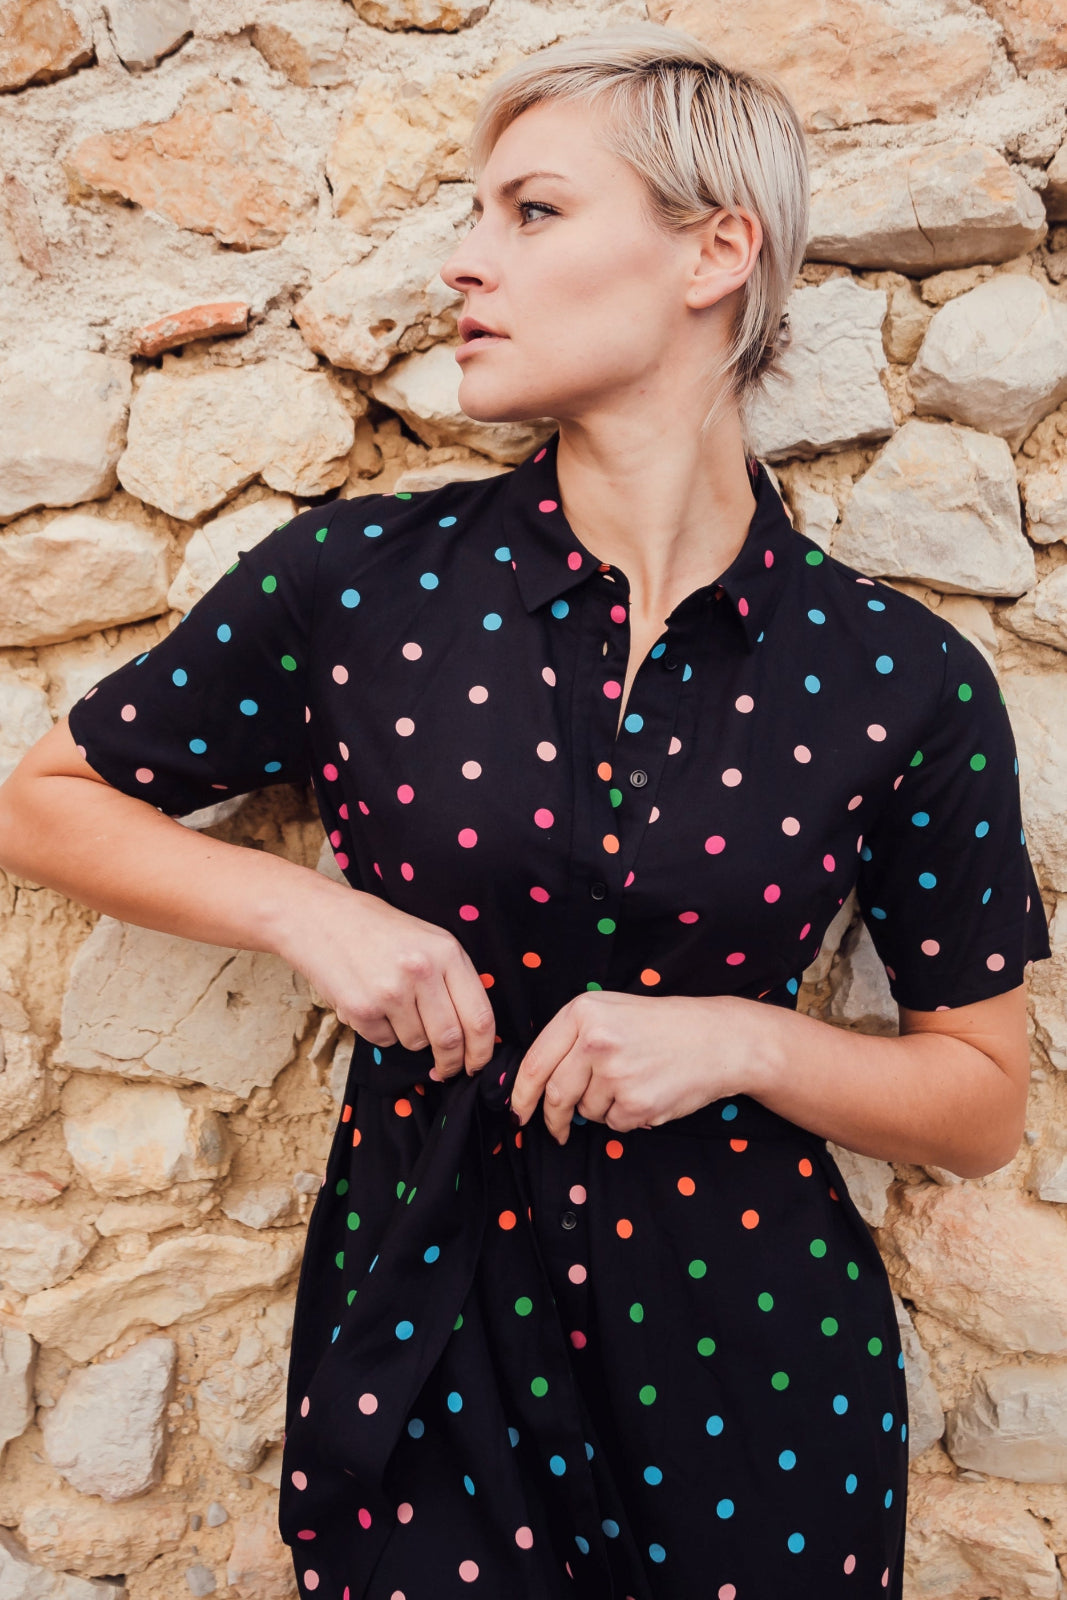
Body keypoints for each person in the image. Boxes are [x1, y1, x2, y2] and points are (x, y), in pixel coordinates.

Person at [0, 20, 1052, 1600]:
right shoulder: (359, 585)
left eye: (531, 211)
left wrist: (743, 1039)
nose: (461, 265)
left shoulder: (900, 676)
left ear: (715, 251)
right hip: (426, 1348)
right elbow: (47, 799)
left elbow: (981, 1103)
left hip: (753, 1382)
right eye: (473, 214)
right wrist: (309, 912)